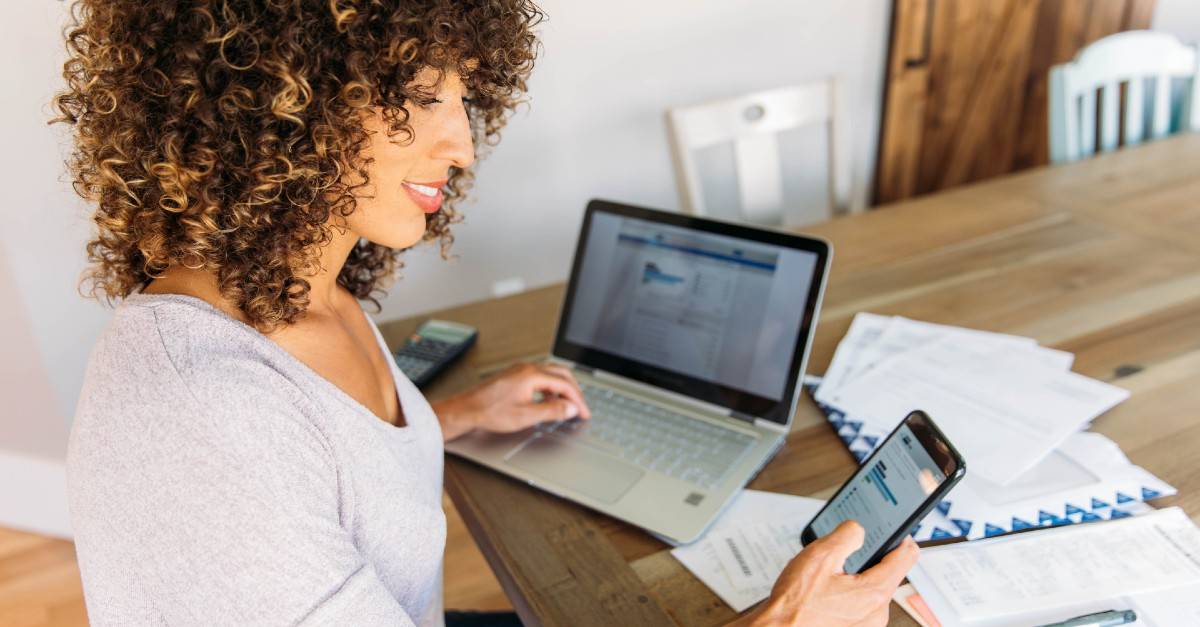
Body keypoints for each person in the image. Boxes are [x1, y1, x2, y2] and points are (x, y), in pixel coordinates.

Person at [55, 1, 919, 625]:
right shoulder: (203, 422)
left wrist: (453, 416)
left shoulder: (299, 292)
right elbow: (268, 461)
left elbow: (326, 461)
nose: (464, 145)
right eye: (425, 97)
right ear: (281, 98)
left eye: (465, 98)